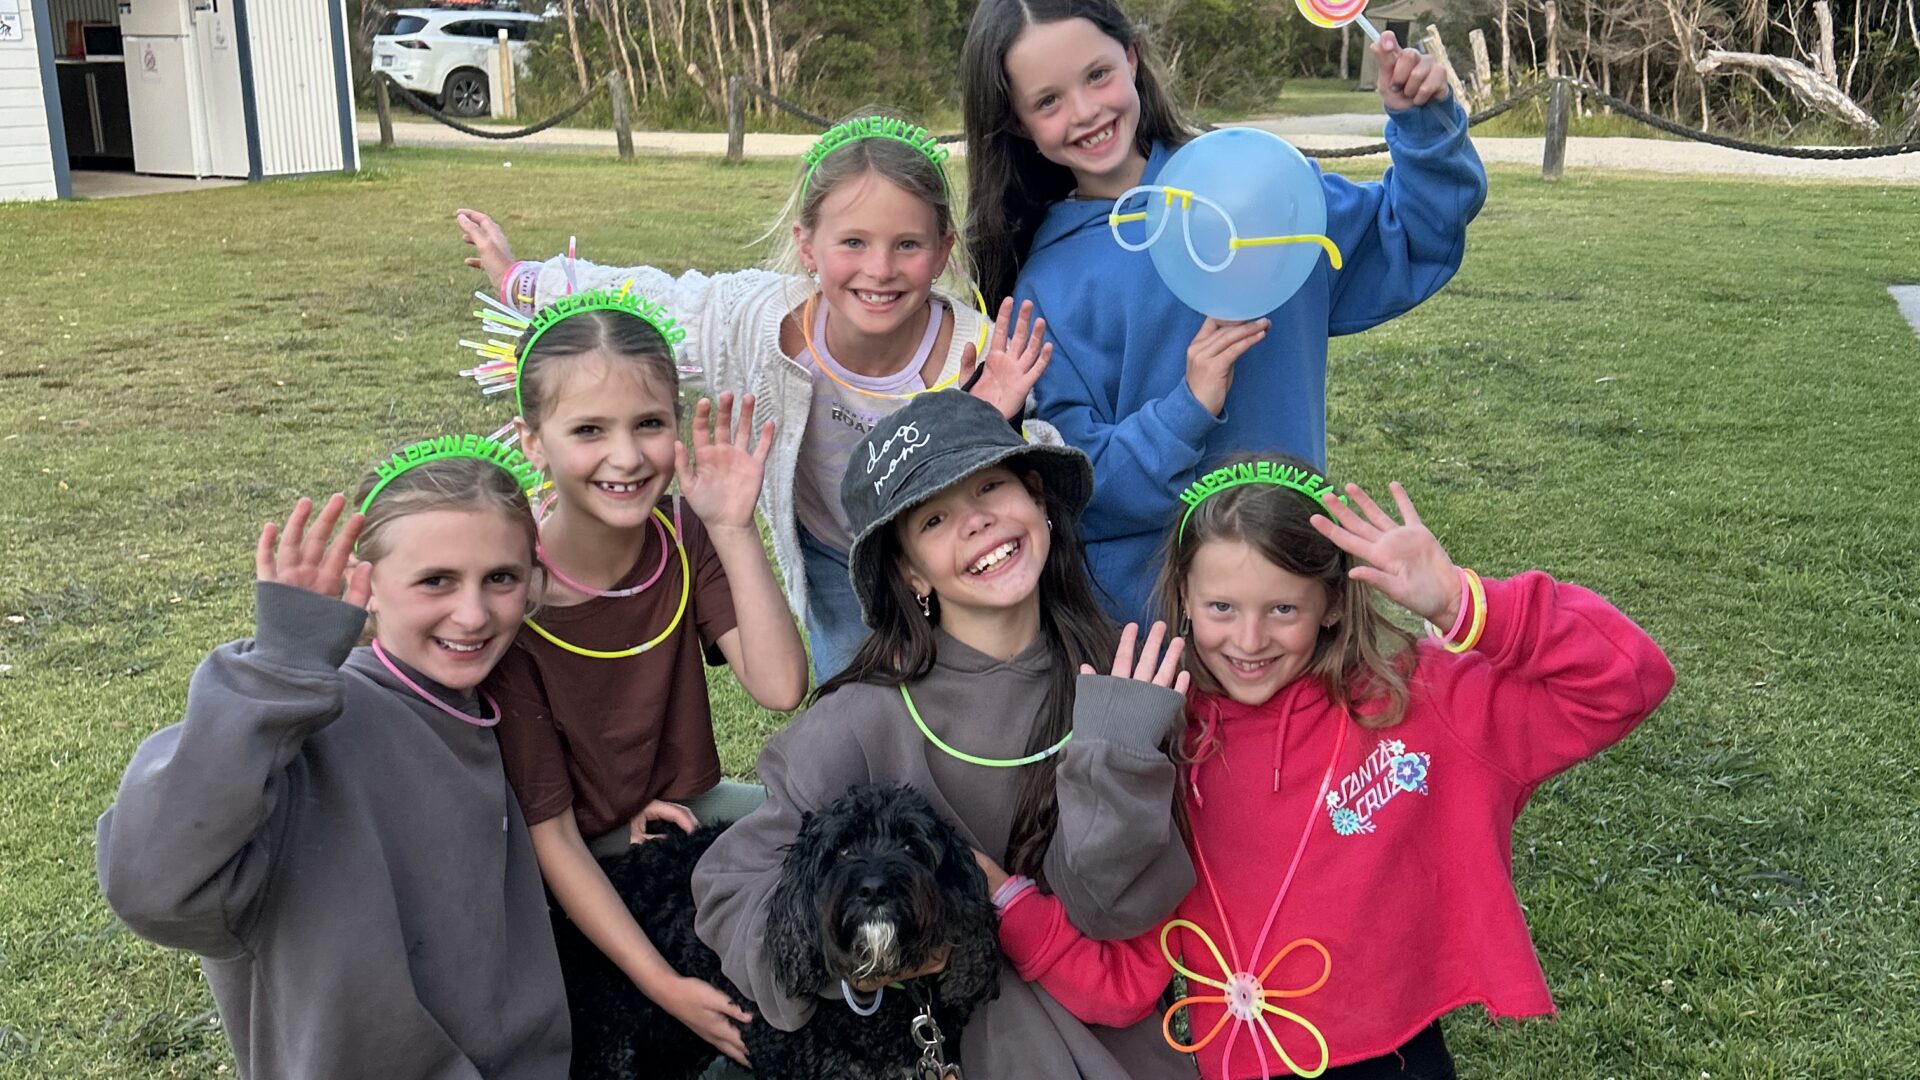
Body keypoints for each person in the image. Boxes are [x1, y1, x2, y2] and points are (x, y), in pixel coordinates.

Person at [981, 456, 1676, 1078]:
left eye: (1283, 608)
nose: (1249, 640)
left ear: (1334, 606)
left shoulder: (1422, 700)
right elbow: (1126, 977)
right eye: (1222, 607)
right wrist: (1009, 904)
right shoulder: (1164, 744)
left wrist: (1464, 603)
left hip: (1399, 1059)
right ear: (1185, 600)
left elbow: (1626, 680)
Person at [691, 390, 1199, 1078]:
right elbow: (731, 884)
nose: (979, 522)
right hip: (940, 1049)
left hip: (1103, 1037)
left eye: (991, 484)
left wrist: (1118, 756)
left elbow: (1120, 909)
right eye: (935, 518)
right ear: (909, 572)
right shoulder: (863, 719)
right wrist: (869, 957)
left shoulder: (1127, 674)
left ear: (1039, 497)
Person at [457, 108, 1052, 681]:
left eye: (907, 245)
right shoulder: (758, 322)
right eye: (853, 243)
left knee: (971, 688)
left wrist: (991, 426)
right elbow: (658, 299)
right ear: (806, 245)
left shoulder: (979, 353)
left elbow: (1046, 473)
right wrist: (523, 280)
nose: (880, 268)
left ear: (944, 249)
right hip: (835, 560)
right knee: (857, 703)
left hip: (950, 553)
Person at [961, 0, 1489, 623]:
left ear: (1131, 57)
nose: (1085, 111)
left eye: (1097, 75)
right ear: (1018, 123)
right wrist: (1186, 409)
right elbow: (1081, 491)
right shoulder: (1042, 290)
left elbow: (1415, 236)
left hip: (1289, 600)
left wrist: (1424, 126)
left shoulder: (1262, 193)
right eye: (1047, 101)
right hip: (1150, 635)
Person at [96, 444, 571, 1080]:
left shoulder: (487, 703)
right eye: (436, 580)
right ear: (364, 585)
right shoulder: (308, 723)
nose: (474, 613)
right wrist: (280, 668)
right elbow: (154, 886)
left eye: (501, 579)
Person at [471, 286, 808, 1069]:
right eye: (588, 430)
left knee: (825, 833)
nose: (625, 458)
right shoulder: (513, 598)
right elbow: (549, 836)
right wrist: (664, 986)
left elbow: (781, 684)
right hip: (567, 860)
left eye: (648, 425)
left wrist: (730, 527)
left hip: (682, 813)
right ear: (532, 441)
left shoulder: (680, 530)